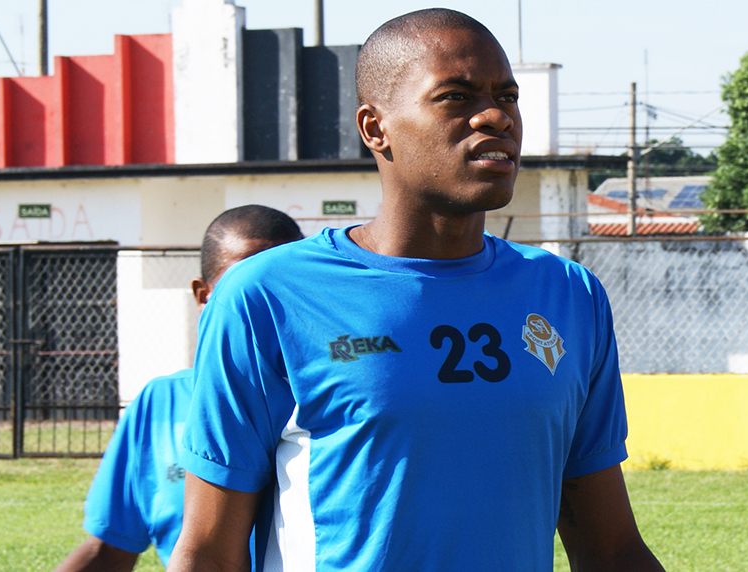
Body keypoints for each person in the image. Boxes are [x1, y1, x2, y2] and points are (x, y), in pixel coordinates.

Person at [170, 9, 664, 572]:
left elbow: (611, 548)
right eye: (455, 96)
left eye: (507, 96)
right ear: (375, 128)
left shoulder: (568, 294)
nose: (496, 116)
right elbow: (208, 551)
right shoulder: (266, 295)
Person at [55, 205, 303, 572]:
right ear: (203, 296)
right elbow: (110, 550)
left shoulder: (339, 400)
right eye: (244, 285)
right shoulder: (160, 402)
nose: (267, 302)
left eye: (288, 284)